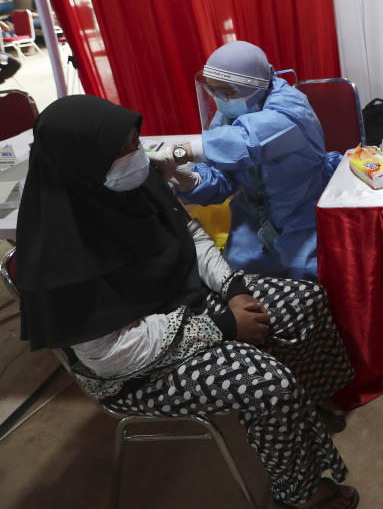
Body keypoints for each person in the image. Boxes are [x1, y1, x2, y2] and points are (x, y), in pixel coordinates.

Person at [16, 95, 359, 509]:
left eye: (134, 140)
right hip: (134, 368)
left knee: (307, 301)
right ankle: (299, 493)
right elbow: (111, 355)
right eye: (121, 149)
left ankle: (303, 412)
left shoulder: (130, 183)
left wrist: (233, 288)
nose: (136, 155)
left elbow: (191, 236)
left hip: (188, 303)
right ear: (81, 163)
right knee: (270, 385)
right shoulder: (59, 253)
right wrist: (226, 327)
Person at [150, 41, 342, 280]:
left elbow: (246, 142)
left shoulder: (291, 109)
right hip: (252, 217)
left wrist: (180, 152)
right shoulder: (230, 114)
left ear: (255, 85)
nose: (220, 98)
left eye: (228, 91)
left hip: (301, 213)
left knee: (308, 276)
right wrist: (191, 180)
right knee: (237, 273)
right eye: (213, 90)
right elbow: (224, 174)